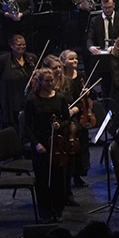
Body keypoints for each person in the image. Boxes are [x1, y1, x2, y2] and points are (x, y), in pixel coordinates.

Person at [24, 67, 71, 223]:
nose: (50, 83)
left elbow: (67, 118)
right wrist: (36, 143)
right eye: (47, 81)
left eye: (52, 81)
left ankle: (58, 210)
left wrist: (60, 125)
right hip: (40, 143)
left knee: (59, 179)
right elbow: (27, 125)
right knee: (43, 179)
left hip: (57, 142)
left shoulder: (60, 97)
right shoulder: (32, 100)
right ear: (40, 82)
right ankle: (45, 211)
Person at [41, 55, 82, 207]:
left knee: (69, 161)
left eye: (59, 67)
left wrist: (73, 110)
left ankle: (68, 193)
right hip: (50, 128)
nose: (58, 70)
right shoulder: (44, 86)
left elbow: (80, 103)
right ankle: (55, 195)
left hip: (67, 124)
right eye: (55, 68)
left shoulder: (68, 83)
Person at [0, 34, 36, 131]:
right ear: (11, 46)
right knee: (11, 126)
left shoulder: (31, 58)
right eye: (19, 45)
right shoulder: (2, 60)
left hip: (26, 98)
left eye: (24, 44)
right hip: (9, 99)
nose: (22, 47)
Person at [60, 49, 92, 186]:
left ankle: (79, 174)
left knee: (82, 145)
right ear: (63, 62)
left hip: (80, 112)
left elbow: (88, 98)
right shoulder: (60, 79)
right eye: (71, 59)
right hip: (67, 116)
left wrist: (87, 92)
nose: (75, 61)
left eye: (76, 58)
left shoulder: (81, 75)